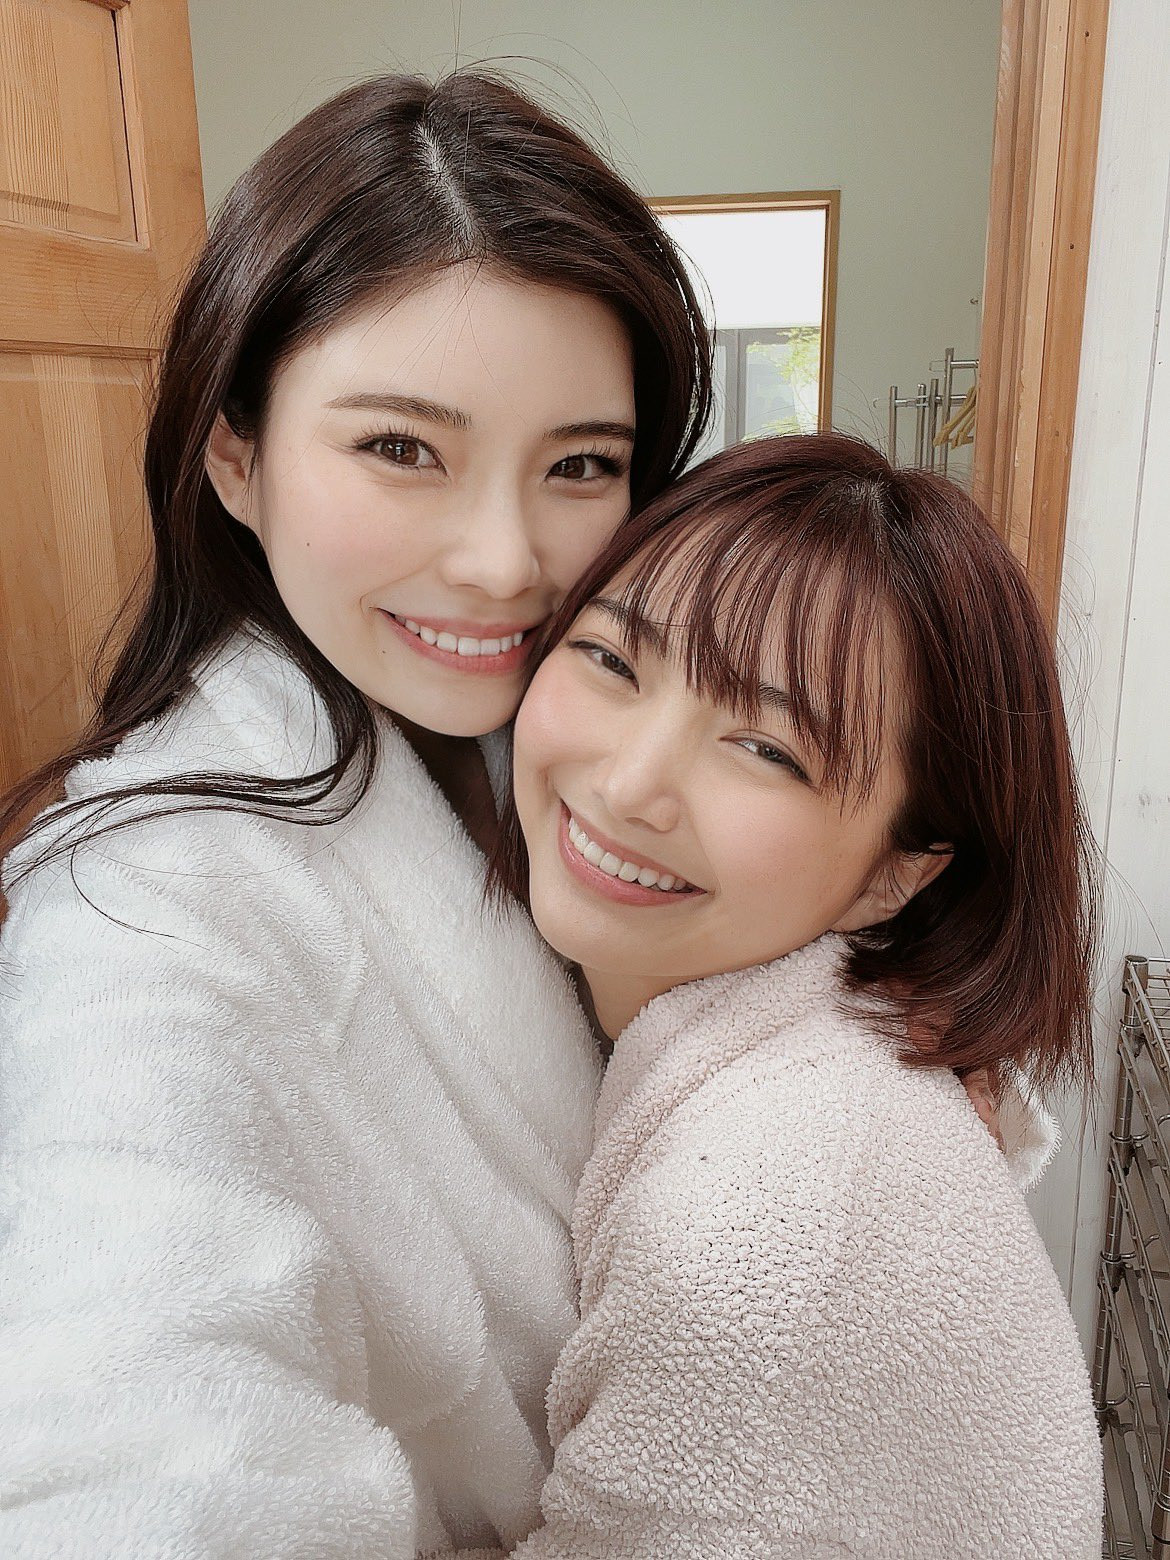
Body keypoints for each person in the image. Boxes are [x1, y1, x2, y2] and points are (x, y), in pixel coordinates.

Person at [0, 70, 713, 1557]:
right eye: (401, 447)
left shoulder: (583, 729)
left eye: (581, 464)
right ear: (235, 452)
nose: (506, 562)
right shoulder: (141, 908)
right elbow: (126, 1446)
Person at [494, 433, 1104, 1558]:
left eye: (768, 749)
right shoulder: (782, 1048)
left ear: (897, 872)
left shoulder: (756, 1244)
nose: (629, 784)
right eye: (614, 661)